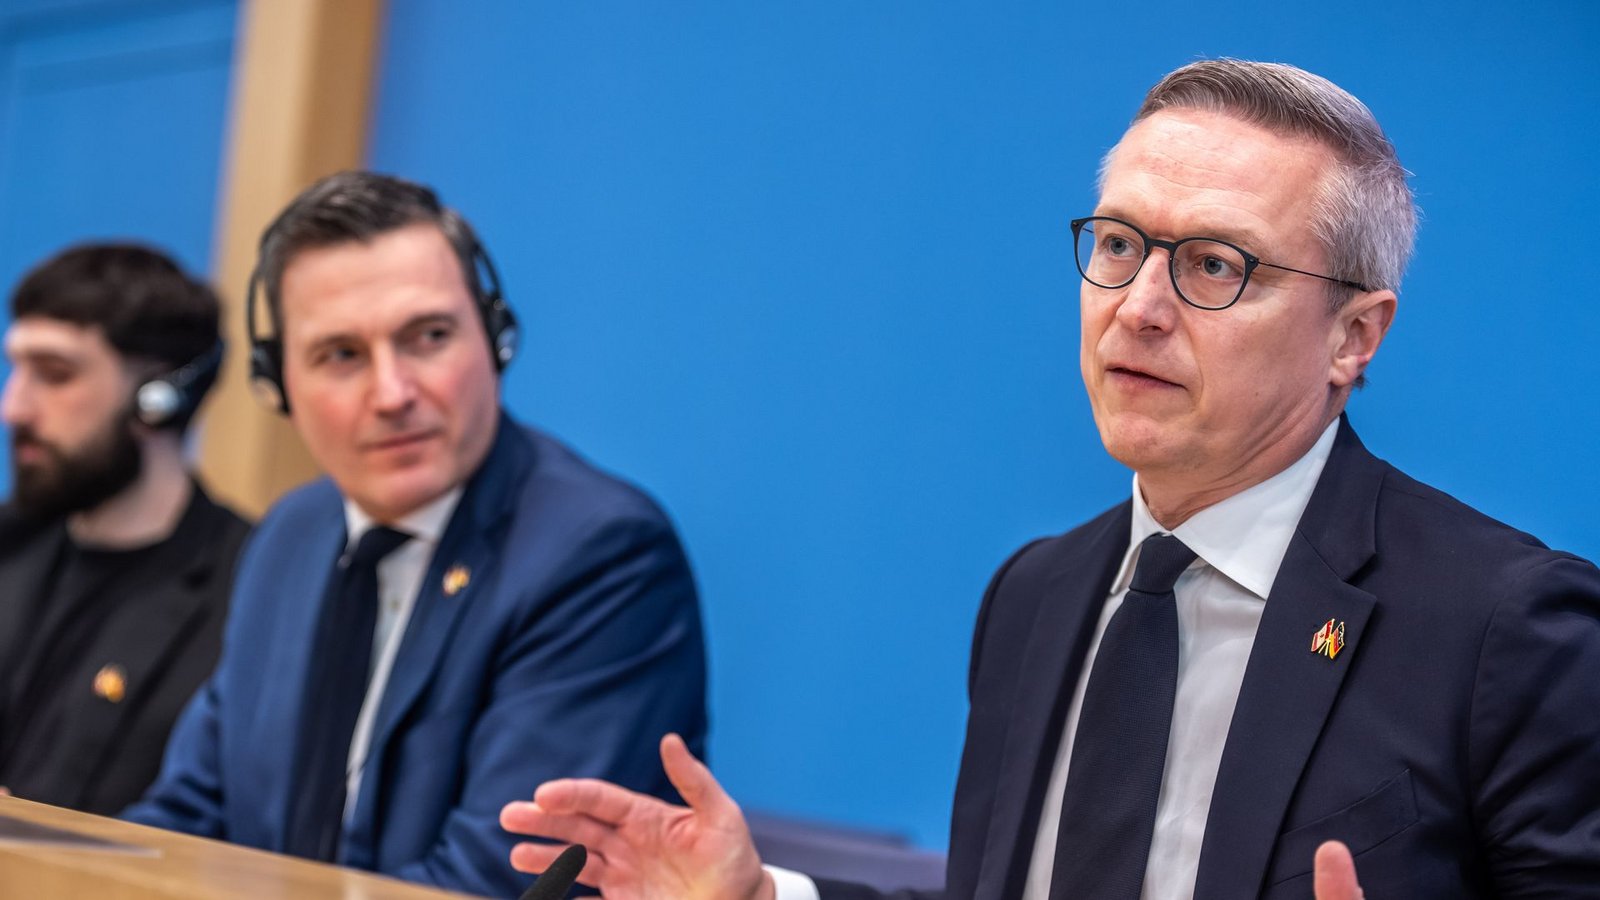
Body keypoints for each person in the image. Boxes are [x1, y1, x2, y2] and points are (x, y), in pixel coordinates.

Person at [501, 59, 1600, 899]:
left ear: (1352, 335)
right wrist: (761, 895)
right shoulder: (1038, 593)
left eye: (1215, 266)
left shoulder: (1505, 626)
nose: (1139, 307)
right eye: (1118, 244)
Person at [123, 171, 709, 897]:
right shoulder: (291, 536)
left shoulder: (601, 554)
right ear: (278, 388)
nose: (393, 393)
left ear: (496, 339)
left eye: (427, 337)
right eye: (341, 355)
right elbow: (188, 819)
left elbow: (497, 883)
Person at [0, 243, 250, 816]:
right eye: (16, 370)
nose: (14, 407)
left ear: (159, 399)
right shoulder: (8, 545)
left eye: (55, 375)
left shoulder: (249, 594)